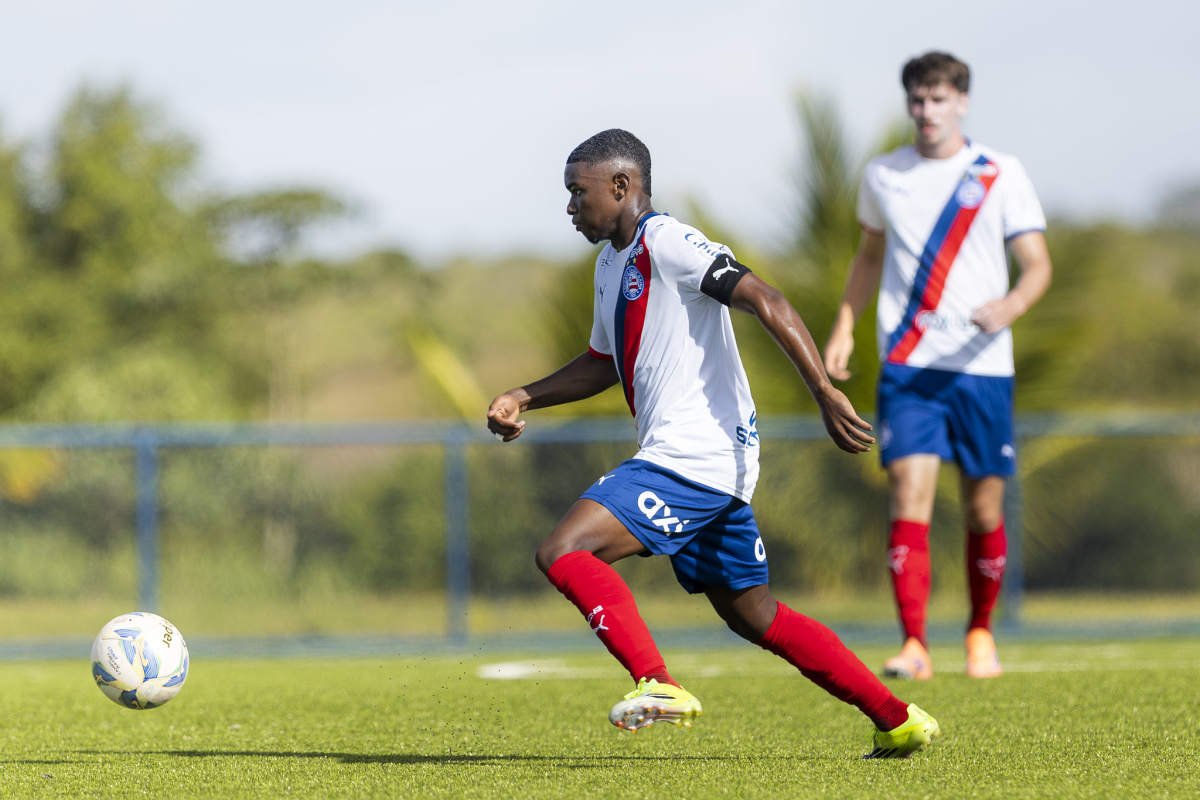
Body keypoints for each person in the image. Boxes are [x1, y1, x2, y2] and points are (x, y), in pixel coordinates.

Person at [486, 128, 939, 758]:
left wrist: (824, 393)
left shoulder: (666, 240)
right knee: (754, 614)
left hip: (692, 453)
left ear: (622, 186)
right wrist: (522, 395)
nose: (569, 207)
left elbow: (766, 298)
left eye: (577, 192)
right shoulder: (611, 263)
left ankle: (659, 684)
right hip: (705, 462)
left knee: (565, 549)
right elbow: (601, 362)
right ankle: (897, 719)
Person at [823, 51, 1053, 680]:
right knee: (909, 494)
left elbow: (1037, 265)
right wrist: (844, 326)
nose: (927, 111)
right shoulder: (883, 174)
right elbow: (868, 258)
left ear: (962, 101)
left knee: (983, 509)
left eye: (939, 98)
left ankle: (980, 632)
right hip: (908, 366)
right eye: (917, 100)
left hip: (981, 368)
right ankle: (915, 644)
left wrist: (1010, 305)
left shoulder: (1000, 172)